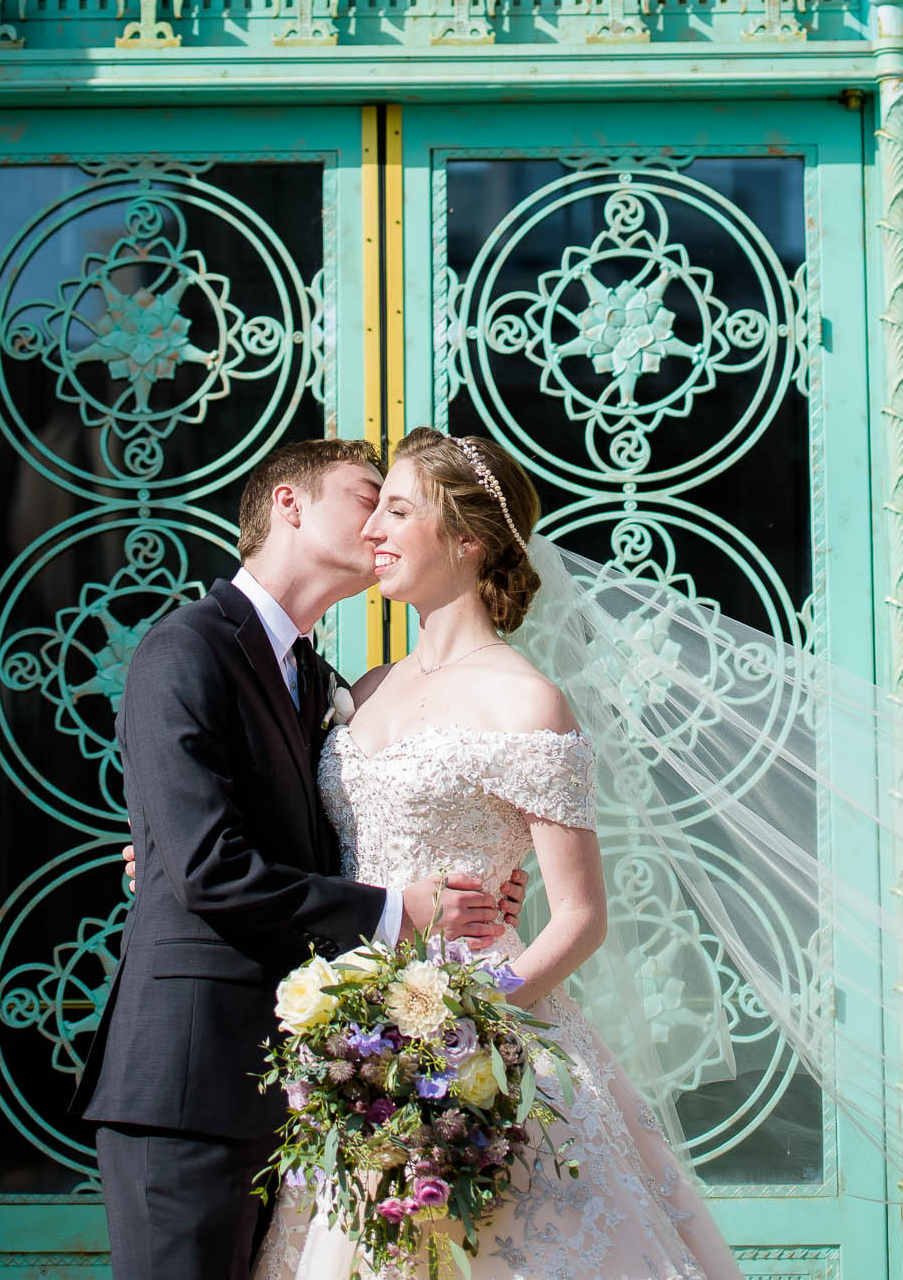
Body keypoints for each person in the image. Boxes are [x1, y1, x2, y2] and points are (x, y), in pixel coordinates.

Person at [254, 427, 743, 1280]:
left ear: (468, 540)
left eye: (397, 510)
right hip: (349, 1045)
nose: (372, 531)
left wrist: (459, 1031)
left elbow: (581, 921)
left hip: (480, 1043)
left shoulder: (526, 702)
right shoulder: (361, 688)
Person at [72, 436, 527, 1280]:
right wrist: (400, 911)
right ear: (289, 504)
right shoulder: (186, 647)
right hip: (187, 1083)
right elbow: (208, 867)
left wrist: (483, 853)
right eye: (368, 496)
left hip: (304, 1084)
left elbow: (317, 839)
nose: (384, 521)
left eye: (401, 506)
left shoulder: (318, 684)